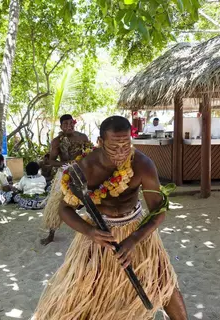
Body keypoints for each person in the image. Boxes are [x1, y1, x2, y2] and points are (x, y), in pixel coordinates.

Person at [33, 116, 185, 319]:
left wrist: (133, 240)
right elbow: (65, 209)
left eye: (126, 145)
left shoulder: (143, 164)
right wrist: (90, 232)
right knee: (83, 289)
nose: (122, 152)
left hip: (136, 230)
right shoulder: (85, 168)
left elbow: (158, 210)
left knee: (163, 281)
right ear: (100, 142)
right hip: (98, 234)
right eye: (114, 146)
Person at [41, 114, 90, 245]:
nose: (69, 126)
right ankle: (51, 233)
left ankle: (91, 229)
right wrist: (68, 163)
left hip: (82, 172)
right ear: (61, 126)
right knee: (56, 203)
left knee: (90, 199)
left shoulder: (82, 137)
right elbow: (51, 161)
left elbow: (90, 153)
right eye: (65, 124)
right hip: (64, 173)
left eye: (71, 123)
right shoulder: (57, 141)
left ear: (74, 123)